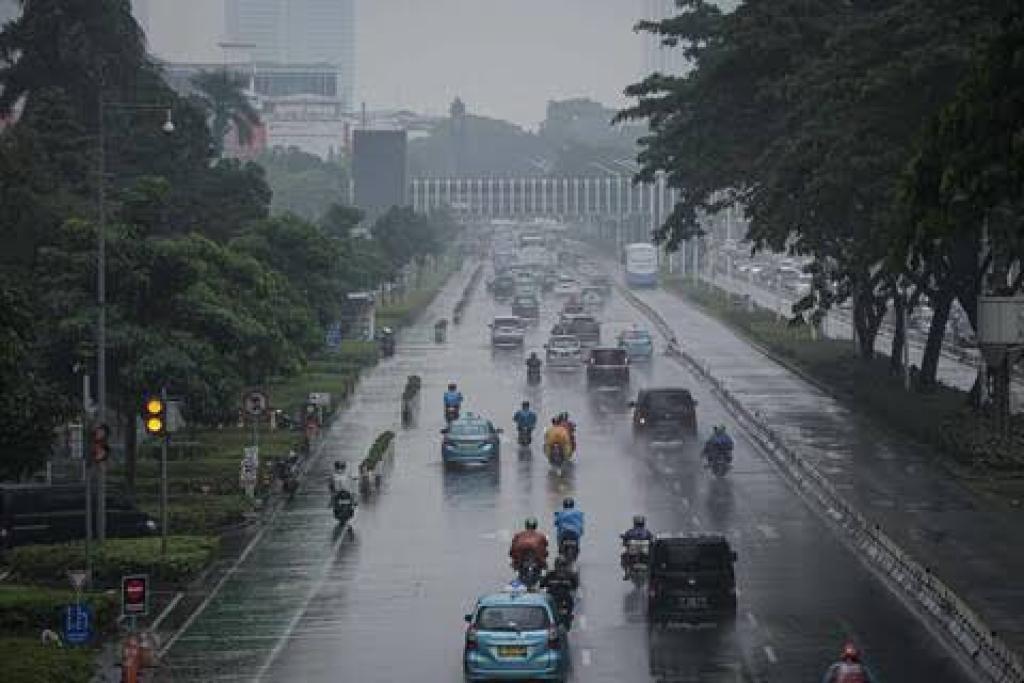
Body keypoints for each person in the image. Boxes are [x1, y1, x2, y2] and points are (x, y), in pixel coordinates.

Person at [620, 514, 655, 579]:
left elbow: (652, 540)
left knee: (652, 557)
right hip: (635, 551)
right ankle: (627, 572)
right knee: (624, 556)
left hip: (644, 551)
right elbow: (652, 539)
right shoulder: (646, 532)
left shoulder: (645, 532)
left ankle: (627, 572)